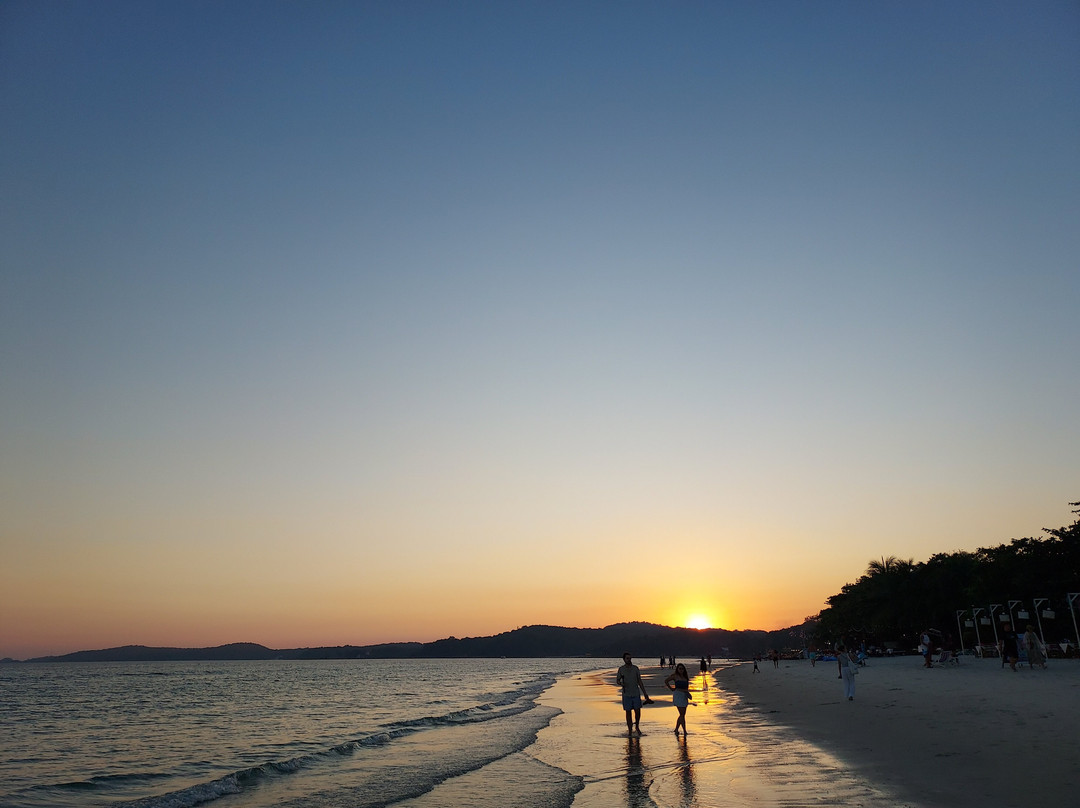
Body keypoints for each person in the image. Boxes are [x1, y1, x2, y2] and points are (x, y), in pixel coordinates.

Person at [616, 652, 653, 734]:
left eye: (630, 658)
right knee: (628, 712)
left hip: (635, 693)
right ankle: (630, 729)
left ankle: (637, 726)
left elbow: (639, 681)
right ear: (624, 659)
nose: (629, 660)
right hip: (626, 694)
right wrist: (621, 683)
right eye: (627, 658)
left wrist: (645, 693)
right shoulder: (621, 669)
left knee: (637, 711)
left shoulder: (635, 668)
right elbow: (617, 680)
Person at [665, 662, 693, 735]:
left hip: (684, 695)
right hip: (678, 695)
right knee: (682, 714)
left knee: (682, 714)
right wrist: (671, 688)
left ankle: (676, 729)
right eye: (680, 669)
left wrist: (688, 694)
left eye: (682, 669)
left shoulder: (685, 677)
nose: (681, 670)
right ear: (677, 669)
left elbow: (687, 688)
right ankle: (684, 731)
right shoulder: (675, 676)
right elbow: (666, 681)